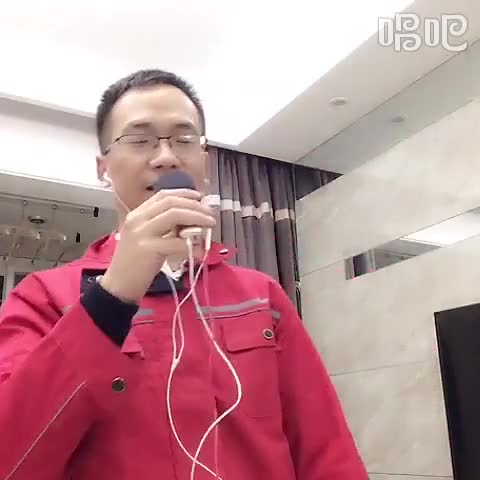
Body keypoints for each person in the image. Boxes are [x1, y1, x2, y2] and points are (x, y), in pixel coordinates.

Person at [0, 69, 368, 479]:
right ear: (103, 169)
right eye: (139, 140)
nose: (166, 156)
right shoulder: (43, 298)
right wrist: (110, 299)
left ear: (204, 164)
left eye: (184, 139)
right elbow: (11, 458)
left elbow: (326, 449)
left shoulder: (260, 295)